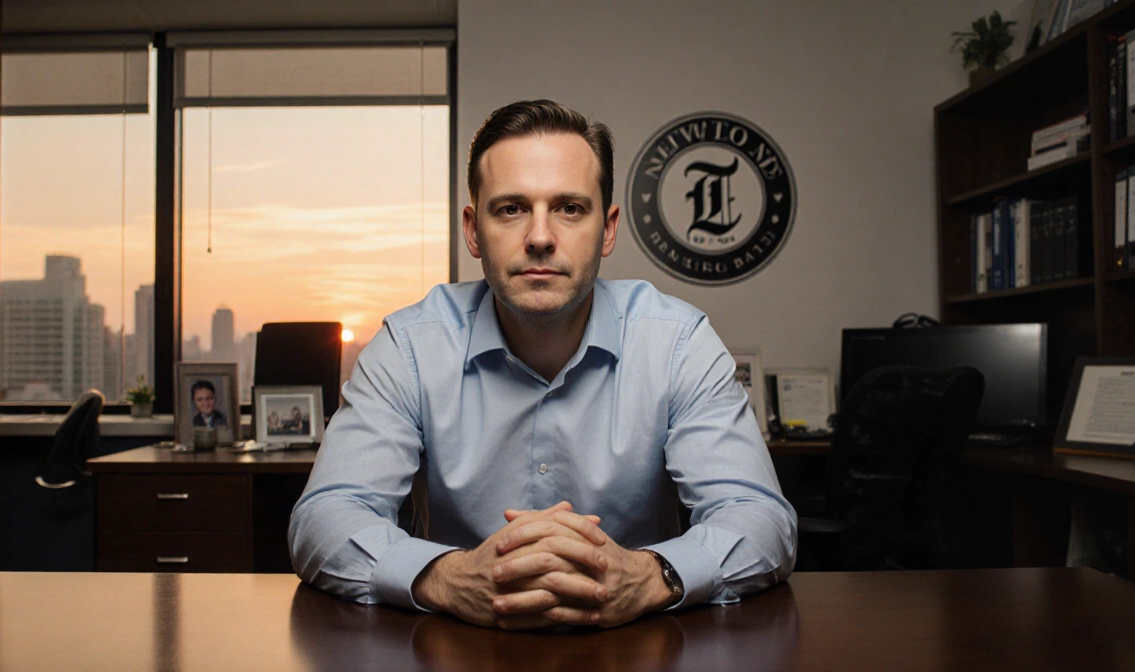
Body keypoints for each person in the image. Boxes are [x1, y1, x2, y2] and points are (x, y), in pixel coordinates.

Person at [289, 100, 796, 630]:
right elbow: (325, 517)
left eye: (569, 208)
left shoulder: (678, 342)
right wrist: (446, 576)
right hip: (459, 650)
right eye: (510, 208)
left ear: (607, 228)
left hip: (635, 649)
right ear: (472, 229)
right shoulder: (409, 347)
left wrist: (647, 577)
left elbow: (760, 518)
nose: (539, 236)